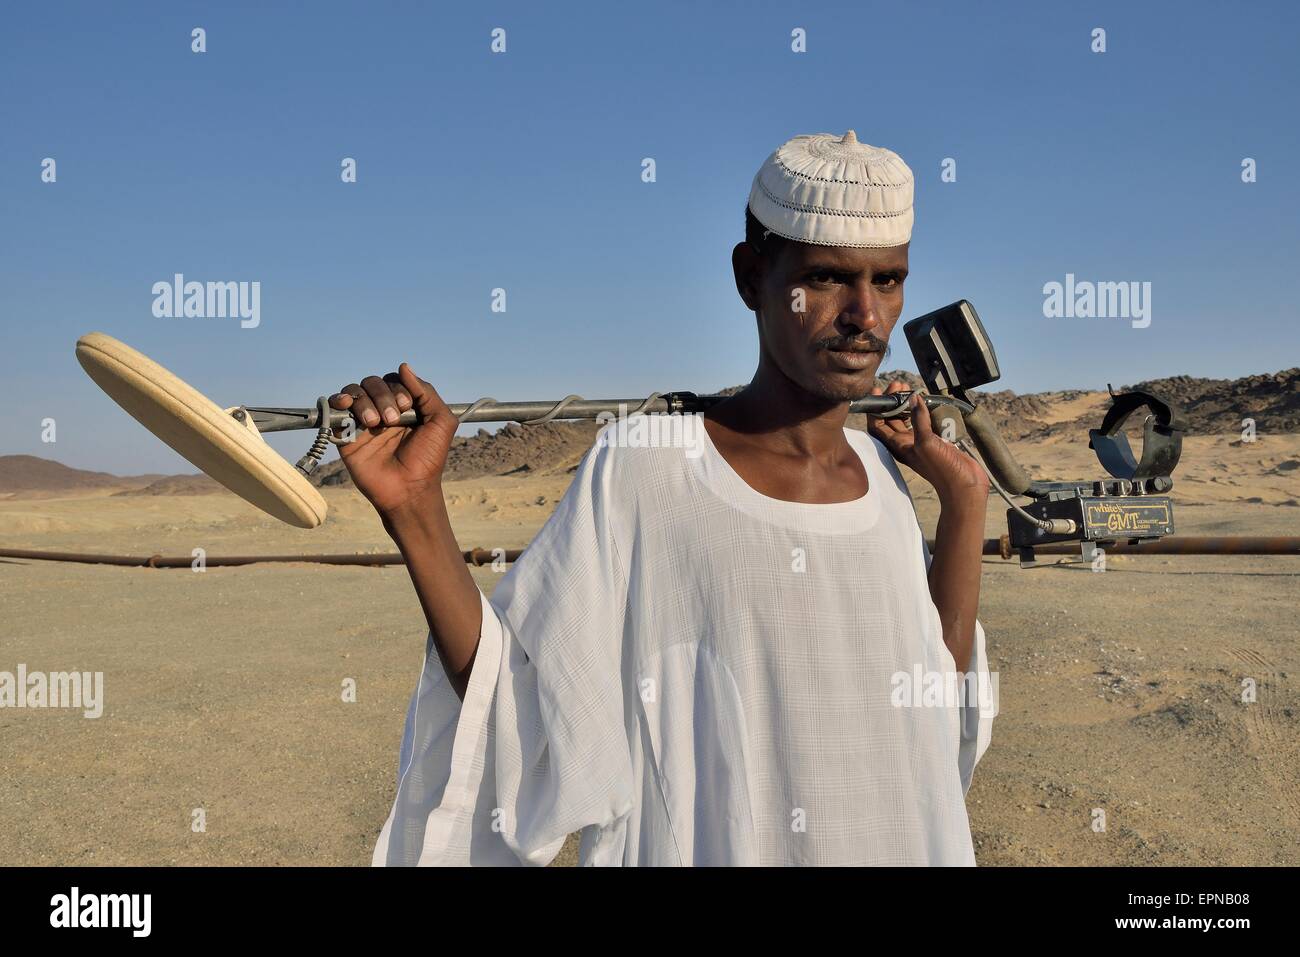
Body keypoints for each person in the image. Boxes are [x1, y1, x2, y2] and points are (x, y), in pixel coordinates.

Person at [335, 131, 996, 866]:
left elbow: (932, 711)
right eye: (828, 278)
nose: (865, 316)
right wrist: (415, 508)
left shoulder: (884, 483)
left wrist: (965, 504)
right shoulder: (648, 470)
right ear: (752, 276)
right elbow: (524, 706)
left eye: (888, 281)